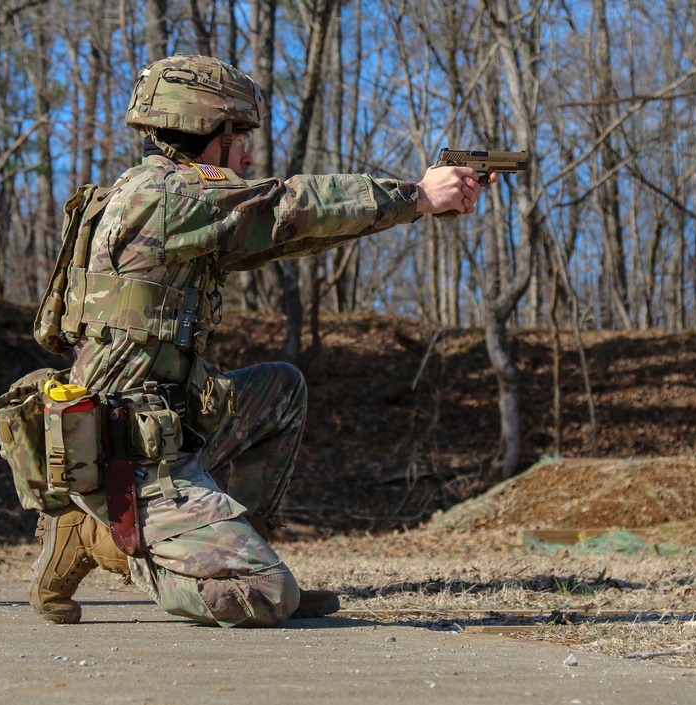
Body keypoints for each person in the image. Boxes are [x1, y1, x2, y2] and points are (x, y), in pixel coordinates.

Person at [25, 53, 495, 628]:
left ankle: (233, 544)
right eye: (239, 135)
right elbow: (284, 206)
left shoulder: (176, 200)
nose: (247, 153)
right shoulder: (168, 196)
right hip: (128, 455)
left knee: (279, 389)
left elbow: (284, 235)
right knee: (264, 596)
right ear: (205, 127)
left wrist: (420, 205)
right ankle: (105, 535)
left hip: (166, 429)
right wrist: (416, 195)